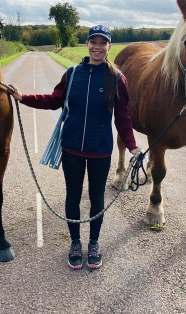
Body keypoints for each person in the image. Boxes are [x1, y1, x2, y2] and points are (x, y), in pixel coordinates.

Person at [9, 25, 141, 270]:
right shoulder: (72, 74)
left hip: (100, 150)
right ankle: (75, 243)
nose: (97, 47)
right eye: (93, 42)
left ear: (109, 47)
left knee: (96, 197)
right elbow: (53, 100)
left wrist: (132, 146)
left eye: (103, 43)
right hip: (71, 149)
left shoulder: (116, 79)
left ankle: (93, 243)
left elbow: (123, 117)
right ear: (87, 44)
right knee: (73, 195)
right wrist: (23, 98)